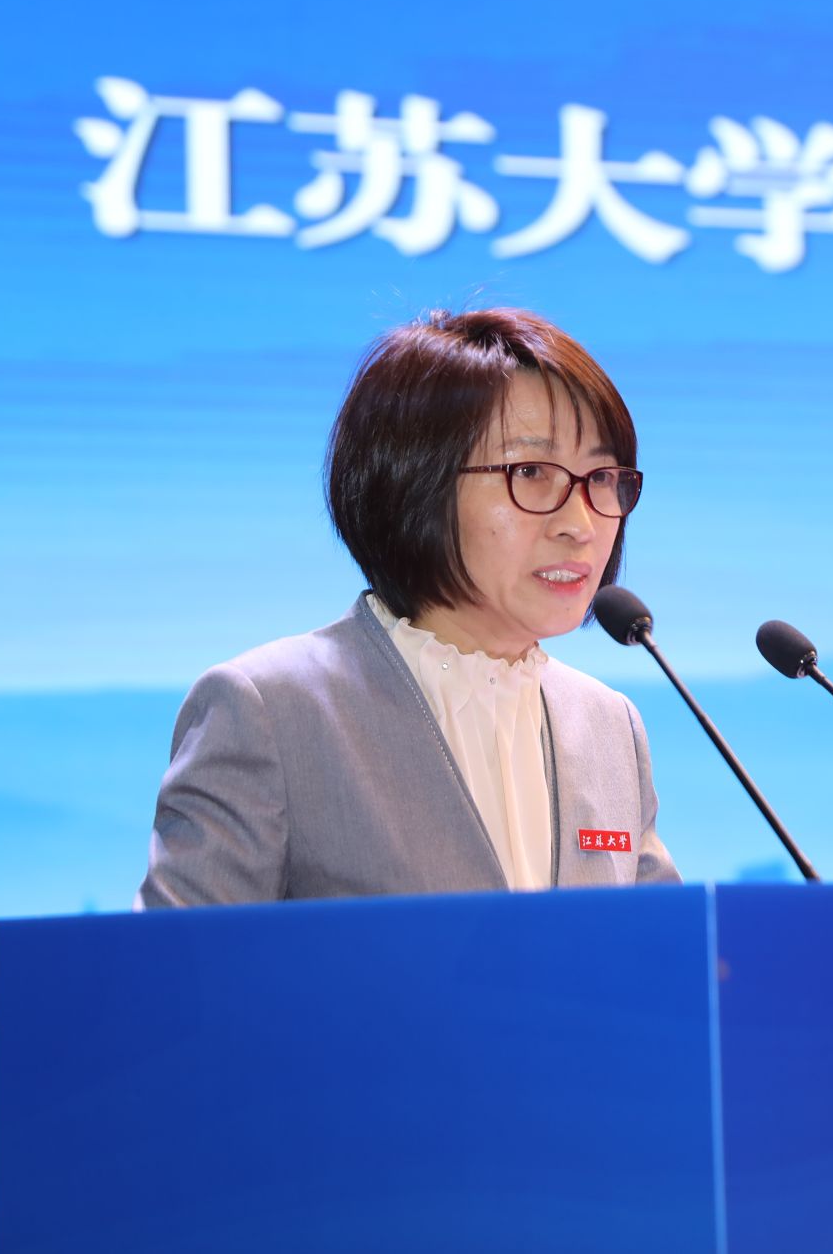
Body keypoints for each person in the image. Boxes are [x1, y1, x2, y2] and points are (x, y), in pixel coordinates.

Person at [136, 308, 679, 907]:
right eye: (530, 471)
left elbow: (674, 950)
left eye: (600, 477)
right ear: (415, 485)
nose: (580, 524)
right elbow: (174, 963)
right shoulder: (270, 711)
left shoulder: (609, 725)